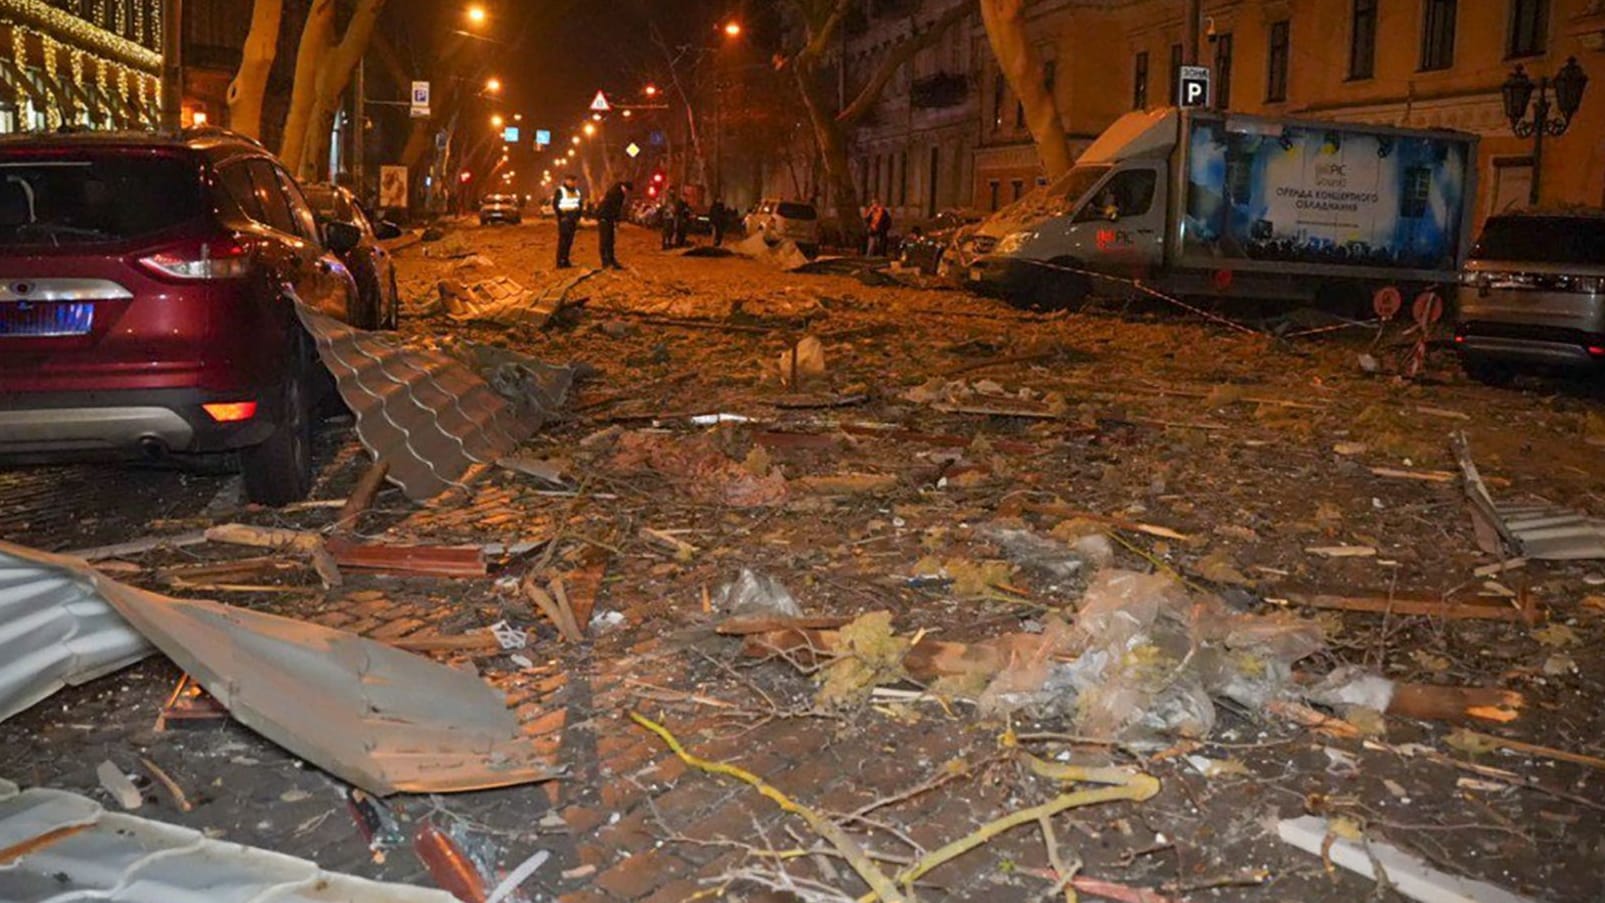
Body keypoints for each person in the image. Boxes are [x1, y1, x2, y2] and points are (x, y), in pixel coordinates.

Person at [596, 180, 631, 269]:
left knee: (610, 241)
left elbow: (616, 210)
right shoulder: (615, 194)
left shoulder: (617, 193)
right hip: (605, 219)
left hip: (609, 219)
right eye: (626, 190)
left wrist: (616, 220)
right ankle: (605, 261)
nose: (626, 193)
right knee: (605, 241)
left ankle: (610, 260)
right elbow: (614, 208)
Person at [552, 175, 583, 269]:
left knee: (569, 241)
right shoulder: (560, 191)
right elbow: (555, 204)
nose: (573, 183)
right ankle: (560, 261)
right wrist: (561, 216)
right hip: (564, 219)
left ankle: (566, 260)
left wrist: (578, 217)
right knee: (563, 241)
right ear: (566, 181)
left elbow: (579, 205)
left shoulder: (577, 192)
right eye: (571, 181)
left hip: (573, 219)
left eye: (574, 181)